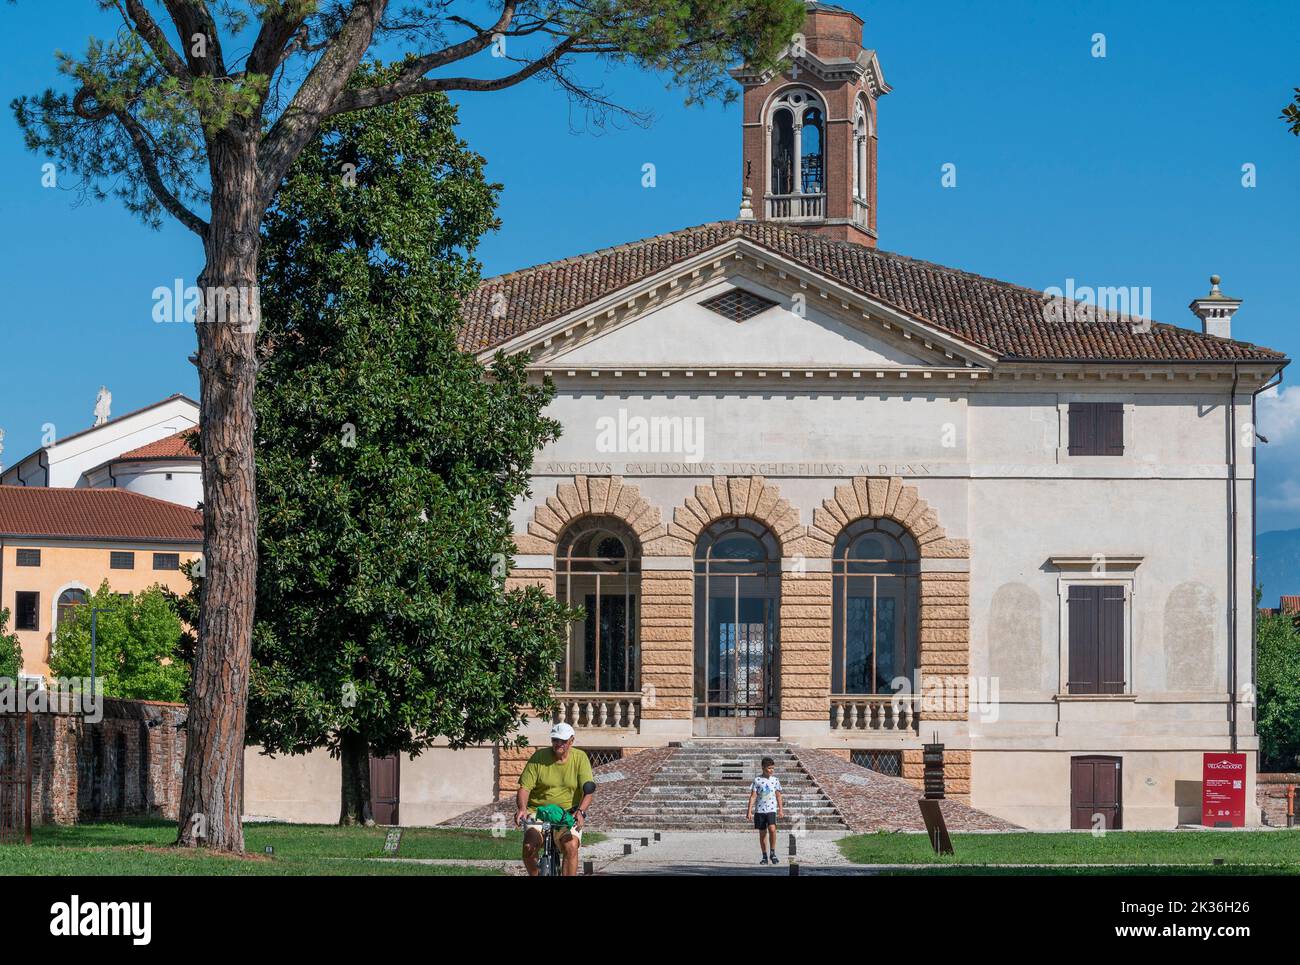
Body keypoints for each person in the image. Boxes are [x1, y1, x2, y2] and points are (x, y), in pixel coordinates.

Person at [515, 721, 594, 876]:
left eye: (563, 741)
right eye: (555, 740)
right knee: (528, 847)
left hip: (567, 814)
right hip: (538, 811)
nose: (558, 744)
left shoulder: (580, 758)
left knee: (571, 846)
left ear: (572, 740)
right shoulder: (539, 757)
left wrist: (581, 812)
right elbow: (524, 788)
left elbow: (588, 791)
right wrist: (522, 809)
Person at [745, 756, 784, 865]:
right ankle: (764, 856)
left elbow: (779, 796)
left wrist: (780, 809)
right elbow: (753, 796)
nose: (771, 770)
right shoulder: (757, 780)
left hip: (771, 809)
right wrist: (749, 811)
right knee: (762, 834)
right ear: (763, 767)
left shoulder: (775, 780)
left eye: (773, 768)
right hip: (760, 811)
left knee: (772, 829)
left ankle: (773, 852)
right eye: (769, 768)